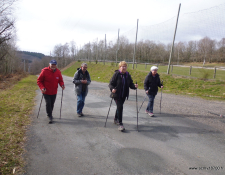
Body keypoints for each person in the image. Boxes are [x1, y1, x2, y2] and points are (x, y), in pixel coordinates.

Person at [109, 61, 138, 131]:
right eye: (123, 66)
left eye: (125, 66)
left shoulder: (127, 75)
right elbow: (111, 84)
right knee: (120, 107)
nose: (124, 67)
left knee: (119, 107)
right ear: (120, 67)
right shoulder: (116, 74)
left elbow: (130, 84)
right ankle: (120, 124)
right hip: (116, 94)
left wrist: (134, 86)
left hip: (124, 95)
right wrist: (112, 89)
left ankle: (115, 119)